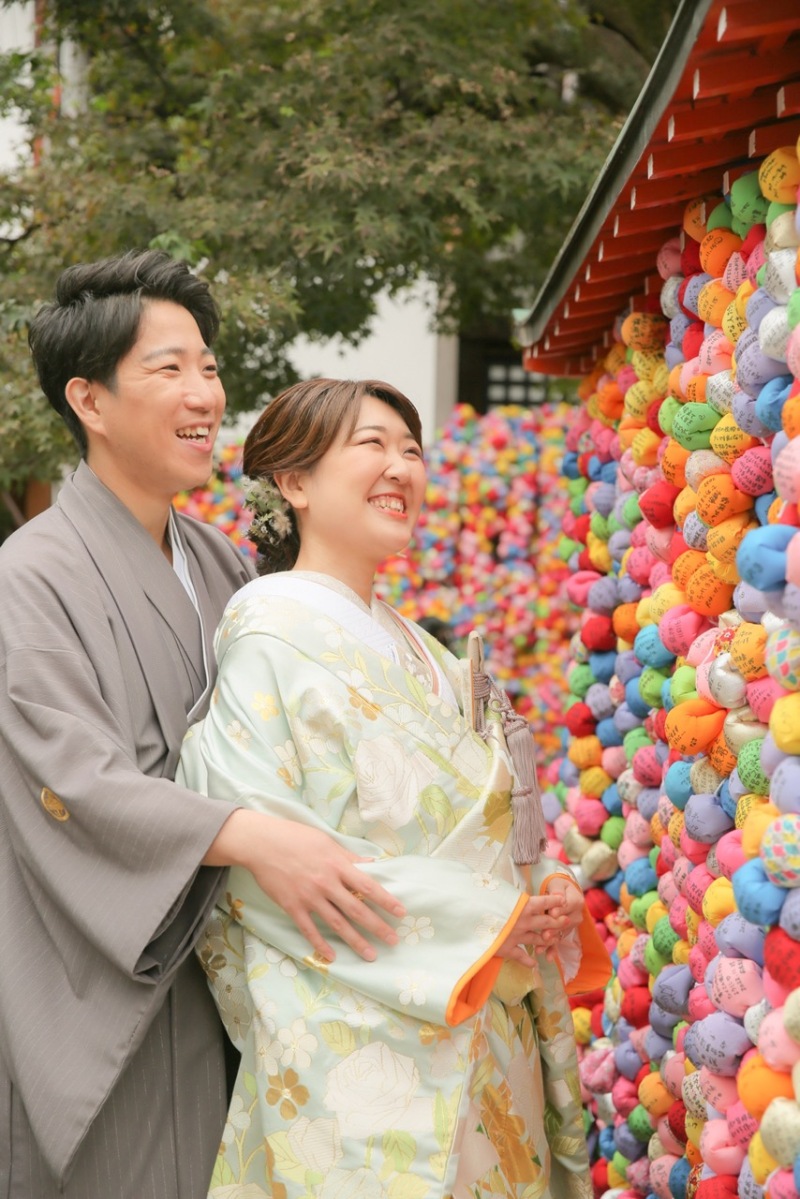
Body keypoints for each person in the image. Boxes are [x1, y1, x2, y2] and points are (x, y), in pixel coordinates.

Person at [0, 255, 407, 1199]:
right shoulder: (31, 574)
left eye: (211, 367)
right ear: (88, 401)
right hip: (120, 975)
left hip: (243, 959)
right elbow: (77, 782)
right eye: (169, 368)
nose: (204, 394)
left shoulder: (222, 560)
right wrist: (253, 835)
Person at [178, 377, 612, 1198]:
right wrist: (490, 921)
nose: (400, 467)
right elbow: (266, 866)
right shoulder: (269, 637)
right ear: (294, 482)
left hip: (482, 1016)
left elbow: (485, 828)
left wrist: (536, 895)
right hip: (377, 1043)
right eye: (371, 444)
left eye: (410, 449)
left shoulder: (426, 651)